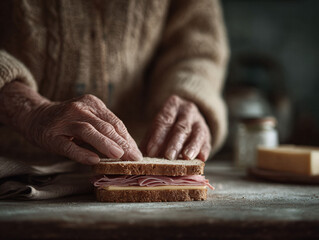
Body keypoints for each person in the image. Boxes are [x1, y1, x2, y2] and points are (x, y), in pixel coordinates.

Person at [0, 0, 229, 166]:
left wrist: (189, 96)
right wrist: (28, 109)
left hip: (141, 159)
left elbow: (198, 46)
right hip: (12, 165)